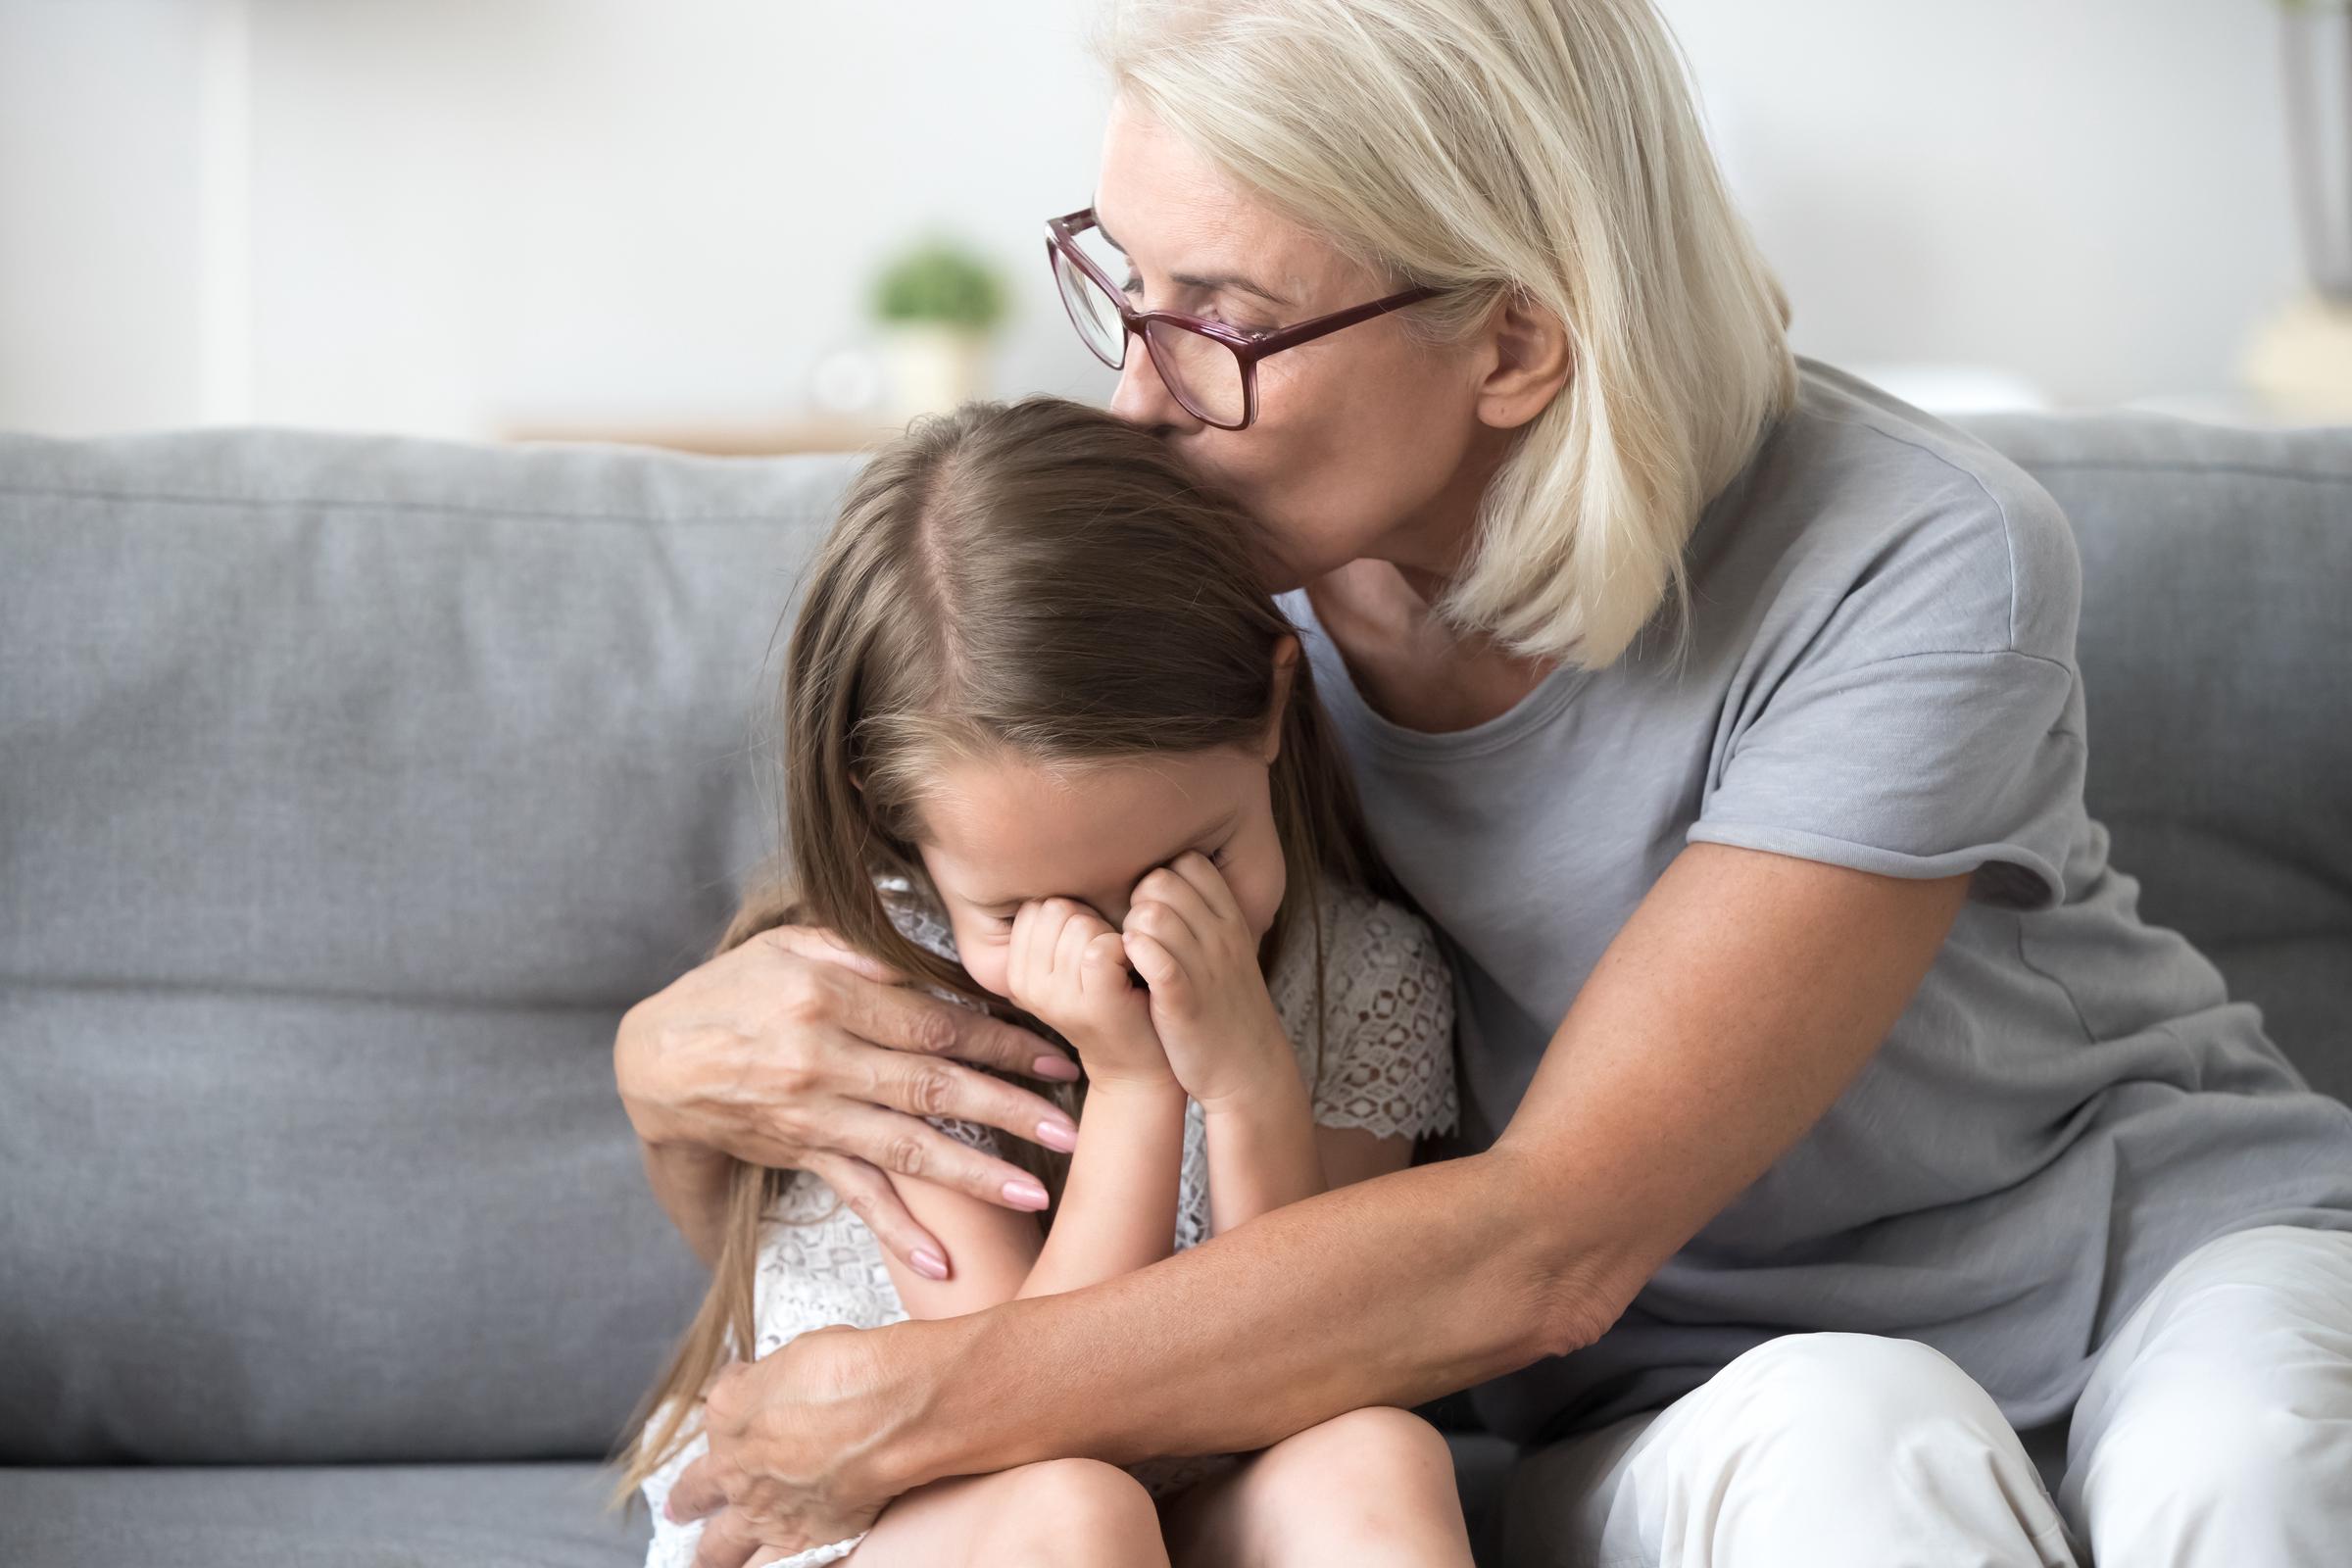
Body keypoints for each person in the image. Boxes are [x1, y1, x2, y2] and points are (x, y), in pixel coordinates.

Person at [621, 2, 2352, 1562]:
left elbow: (1552, 1238)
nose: (1138, 400)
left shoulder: (1915, 560)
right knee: (1849, 1455)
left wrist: (925, 1407)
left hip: (2143, 1260)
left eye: (1220, 318)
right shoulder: (1199, 595)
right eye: (1123, 284)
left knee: (2251, 1470)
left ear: (1516, 345)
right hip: (1676, 1391)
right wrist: (659, 1061)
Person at [615, 397, 1468, 1567]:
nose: (1121, 949)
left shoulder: (1362, 975)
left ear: (1272, 704)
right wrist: (1134, 1084)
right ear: (900, 828)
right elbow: (1011, 1415)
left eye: (1187, 864)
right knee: (1079, 1510)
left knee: (1373, 1453)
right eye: (1019, 913)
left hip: (1183, 1486)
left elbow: (1291, 1373)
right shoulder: (884, 1010)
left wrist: (1250, 1079)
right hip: (877, 1518)